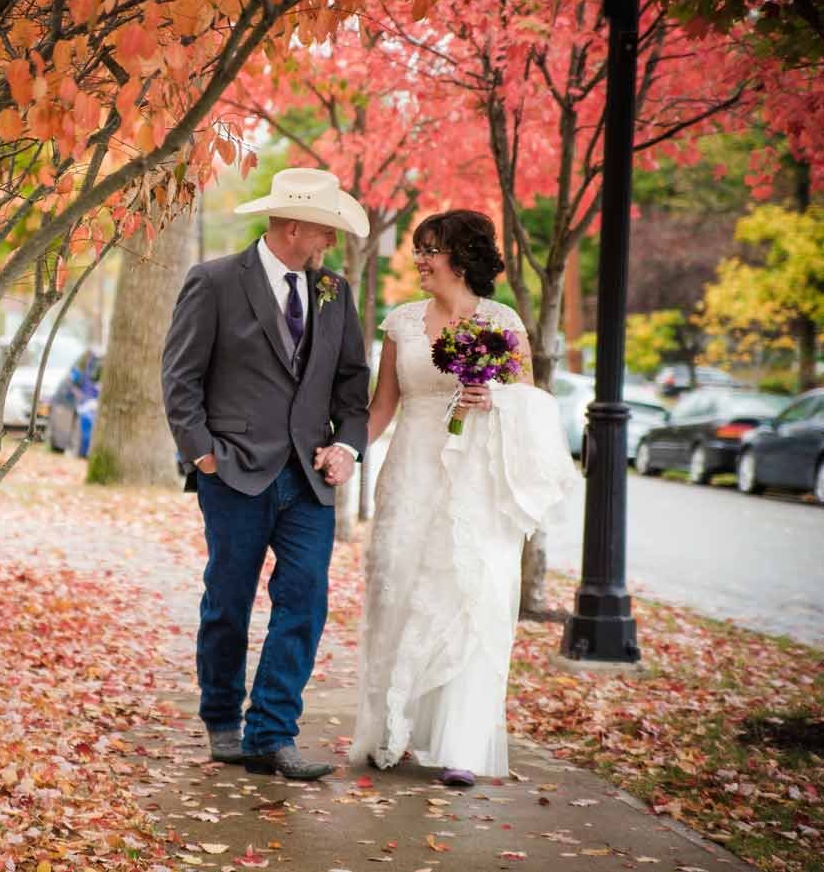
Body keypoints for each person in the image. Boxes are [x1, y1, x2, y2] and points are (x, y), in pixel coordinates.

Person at [344, 209, 578, 787]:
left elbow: (531, 404)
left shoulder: (502, 321)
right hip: (411, 474)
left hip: (475, 480)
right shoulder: (400, 323)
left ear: (463, 257)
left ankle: (459, 744)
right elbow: (382, 407)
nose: (420, 260)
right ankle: (393, 730)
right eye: (419, 248)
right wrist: (345, 452)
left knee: (469, 594)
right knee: (398, 585)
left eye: (431, 250)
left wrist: (492, 399)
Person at [162, 168, 371, 781]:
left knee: (304, 600)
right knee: (228, 601)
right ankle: (222, 719)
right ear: (296, 224)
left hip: (309, 481)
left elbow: (352, 386)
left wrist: (348, 448)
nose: (329, 244)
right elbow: (181, 378)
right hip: (234, 474)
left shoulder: (334, 291)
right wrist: (203, 455)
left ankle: (272, 735)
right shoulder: (216, 281)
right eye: (324, 231)